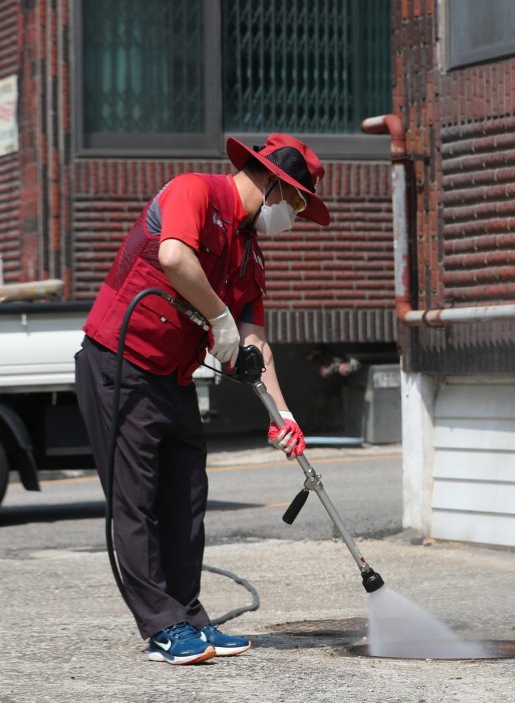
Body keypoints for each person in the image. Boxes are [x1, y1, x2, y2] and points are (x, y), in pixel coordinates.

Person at [75, 133, 329, 665]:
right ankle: (163, 627)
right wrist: (218, 318)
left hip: (174, 379)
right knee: (136, 500)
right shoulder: (196, 191)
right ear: (276, 186)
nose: (294, 219)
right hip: (120, 365)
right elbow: (173, 256)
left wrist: (283, 415)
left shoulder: (249, 254)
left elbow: (255, 341)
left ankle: (190, 615)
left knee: (187, 497)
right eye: (298, 205)